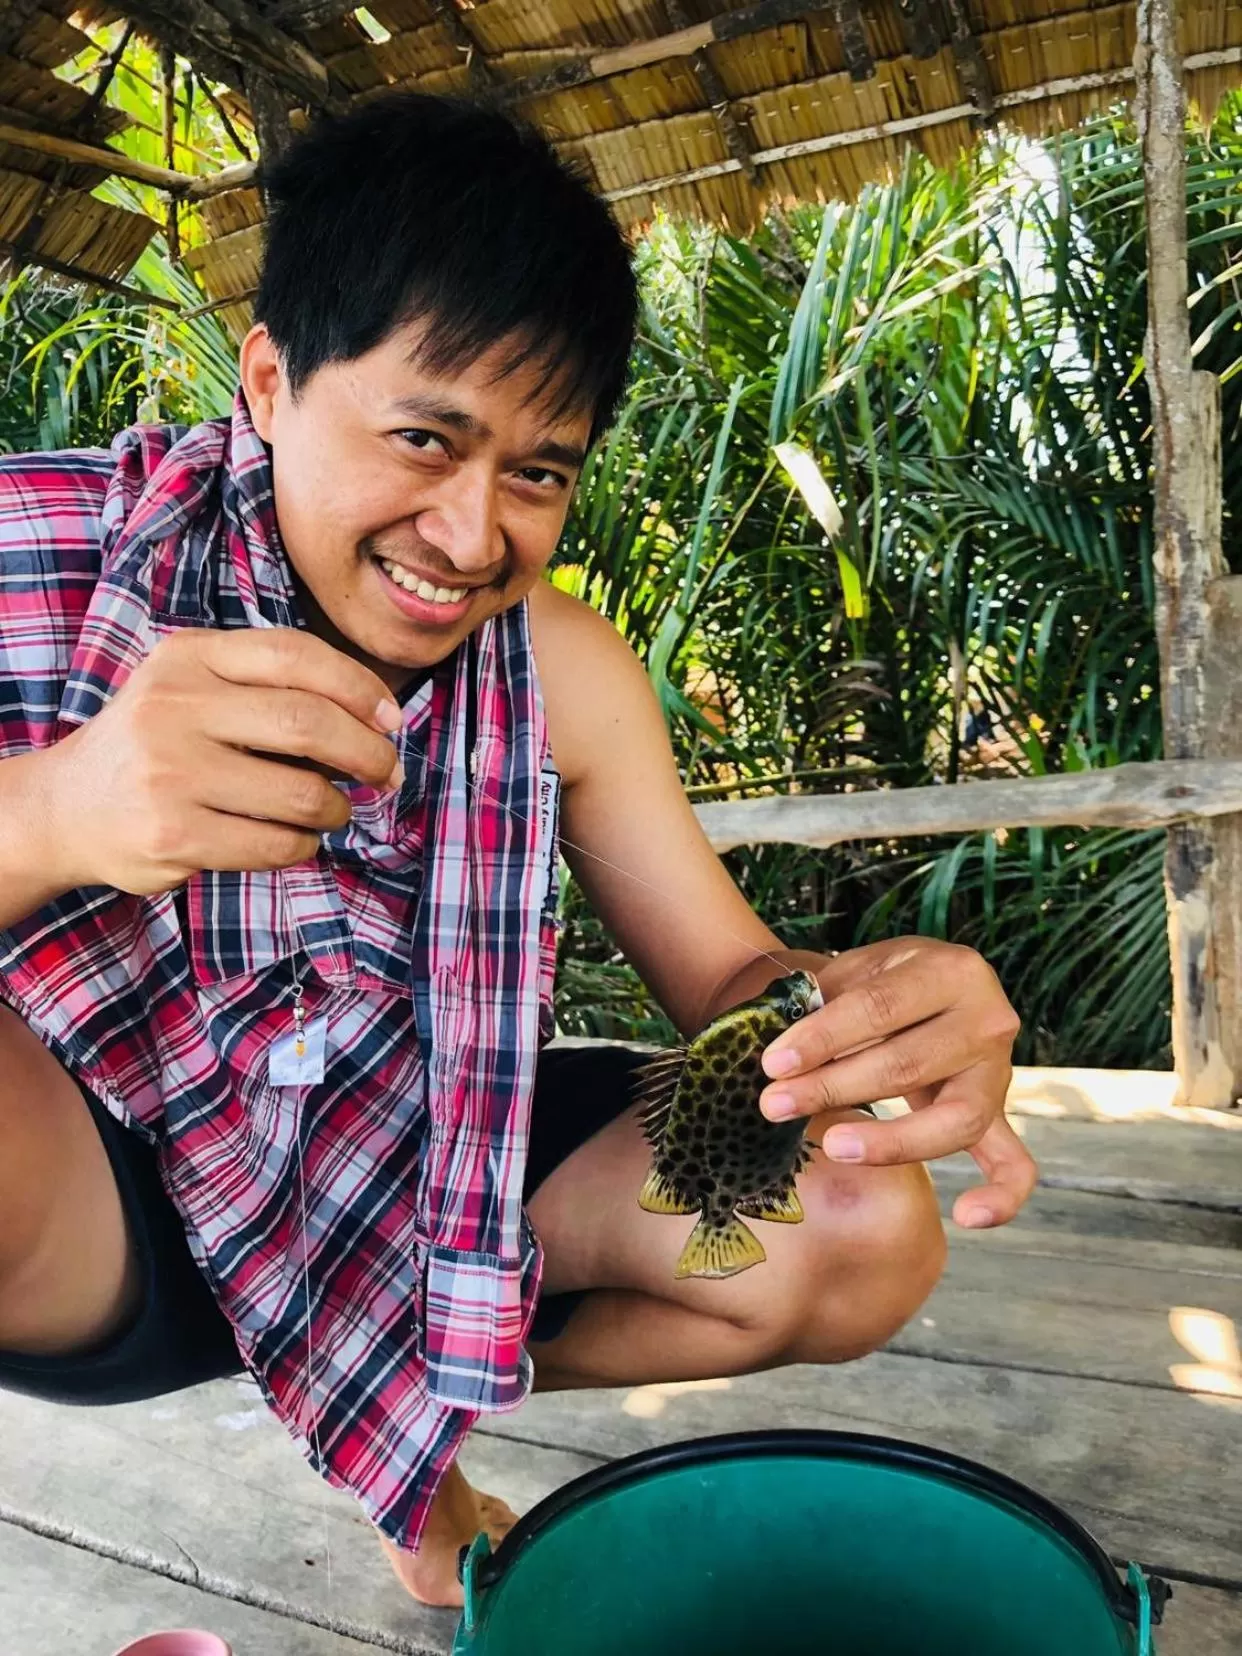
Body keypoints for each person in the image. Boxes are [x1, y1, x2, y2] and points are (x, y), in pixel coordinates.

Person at [0, 93, 1034, 1608]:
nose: (472, 535)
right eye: (425, 439)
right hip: (88, 1213)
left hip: (424, 1180)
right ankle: (372, 1404)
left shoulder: (562, 674)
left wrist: (876, 1017)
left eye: (538, 473)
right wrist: (53, 812)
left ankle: (387, 1406)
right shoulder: (37, 549)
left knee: (862, 1225)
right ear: (271, 380)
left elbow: (733, 977)